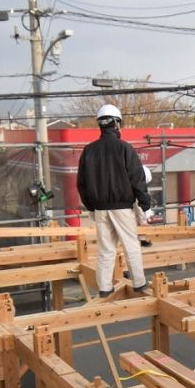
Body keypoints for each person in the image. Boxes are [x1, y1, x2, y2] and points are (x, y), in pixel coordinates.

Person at [76, 104, 152, 296]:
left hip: (100, 209)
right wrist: (146, 204)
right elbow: (137, 179)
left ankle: (104, 287)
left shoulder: (88, 151)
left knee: (106, 249)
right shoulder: (124, 148)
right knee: (131, 245)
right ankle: (140, 283)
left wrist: (91, 207)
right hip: (121, 208)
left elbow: (81, 183)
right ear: (117, 123)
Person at [135, 165, 154, 247]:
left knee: (139, 216)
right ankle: (142, 240)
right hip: (134, 193)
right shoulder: (141, 171)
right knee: (140, 215)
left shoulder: (140, 169)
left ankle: (141, 239)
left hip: (130, 193)